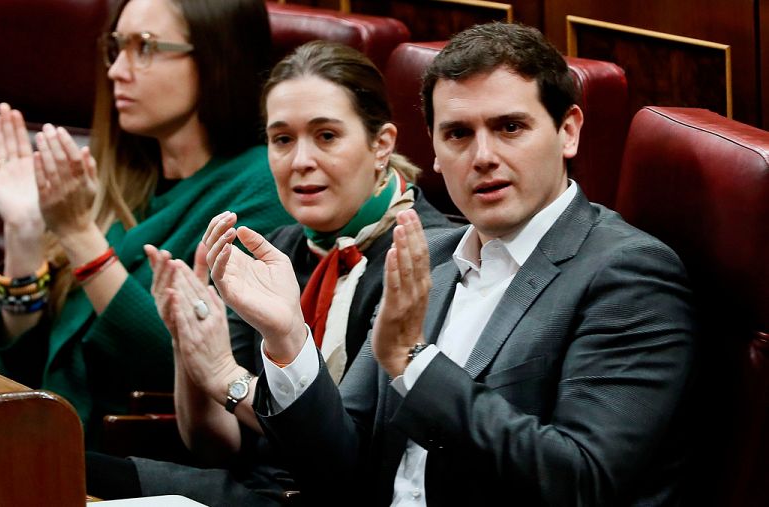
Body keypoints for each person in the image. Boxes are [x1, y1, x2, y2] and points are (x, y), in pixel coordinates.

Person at [204, 23, 697, 506]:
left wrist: (414, 363)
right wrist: (288, 340)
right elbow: (339, 468)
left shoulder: (630, 273)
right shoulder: (432, 259)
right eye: (458, 133)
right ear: (434, 151)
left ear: (568, 131)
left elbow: (579, 481)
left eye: (510, 127)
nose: (483, 156)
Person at [86, 41, 453, 506]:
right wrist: (192, 347)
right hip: (246, 488)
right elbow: (213, 445)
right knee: (47, 469)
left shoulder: (426, 255)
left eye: (326, 136)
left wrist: (228, 378)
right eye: (282, 139)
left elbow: (350, 447)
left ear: (381, 144)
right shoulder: (277, 247)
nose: (300, 161)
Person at [0, 0, 293, 447]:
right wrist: (24, 232)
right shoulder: (124, 176)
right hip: (42, 436)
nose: (116, 71)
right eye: (116, 47)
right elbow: (23, 370)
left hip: (137, 463)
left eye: (144, 47)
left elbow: (175, 362)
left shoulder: (262, 186)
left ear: (216, 57)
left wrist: (77, 234)